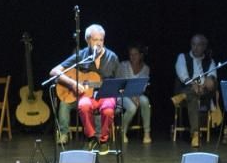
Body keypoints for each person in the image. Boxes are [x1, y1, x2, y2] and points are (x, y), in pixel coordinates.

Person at [49, 24, 119, 153]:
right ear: (87, 40)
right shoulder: (81, 56)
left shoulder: (112, 57)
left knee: (108, 110)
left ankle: (104, 140)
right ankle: (91, 138)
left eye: (101, 40)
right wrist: (71, 83)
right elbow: (54, 71)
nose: (98, 43)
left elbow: (118, 82)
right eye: (95, 40)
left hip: (106, 94)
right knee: (84, 105)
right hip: (88, 95)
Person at [174, 34, 218, 148]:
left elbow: (212, 76)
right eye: (193, 44)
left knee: (211, 84)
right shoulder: (182, 57)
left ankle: (183, 96)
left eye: (199, 45)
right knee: (192, 94)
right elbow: (182, 74)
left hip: (203, 93)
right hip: (188, 88)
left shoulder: (210, 61)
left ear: (204, 47)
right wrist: (193, 84)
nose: (195, 47)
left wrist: (207, 82)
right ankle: (195, 134)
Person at [117, 42, 151, 144]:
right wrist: (132, 96)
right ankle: (122, 131)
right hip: (122, 94)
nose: (132, 57)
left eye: (135, 54)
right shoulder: (123, 65)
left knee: (145, 101)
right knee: (132, 108)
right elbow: (121, 84)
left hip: (137, 94)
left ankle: (147, 133)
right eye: (131, 54)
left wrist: (136, 95)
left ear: (141, 55)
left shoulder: (146, 68)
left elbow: (142, 85)